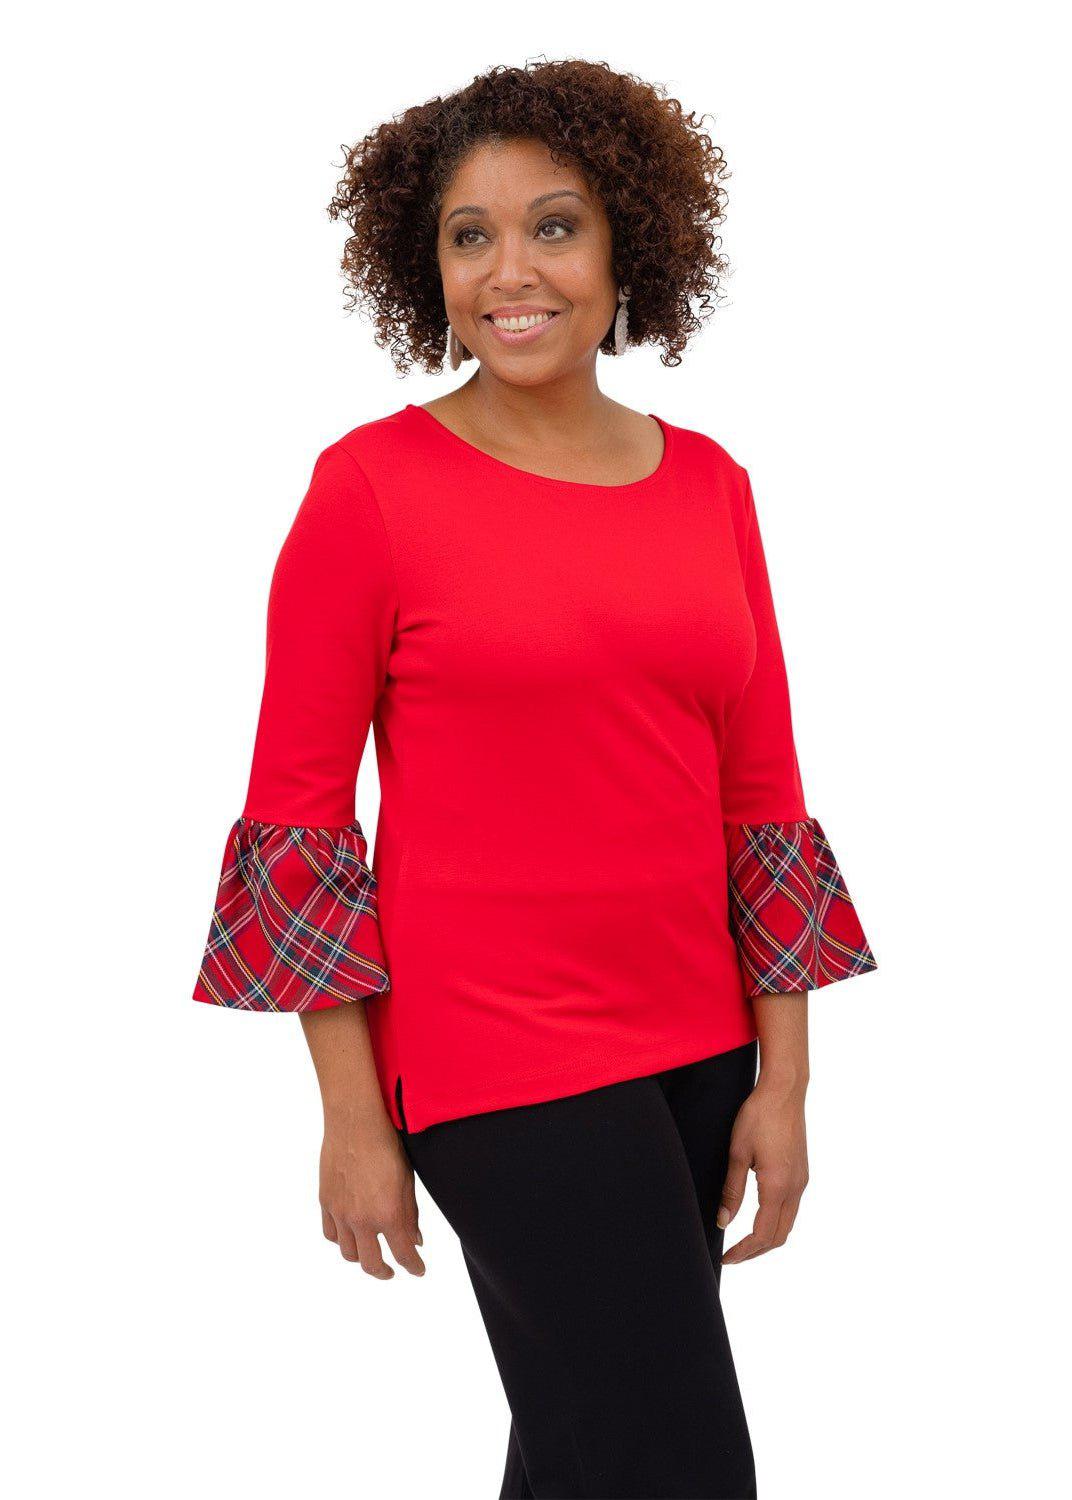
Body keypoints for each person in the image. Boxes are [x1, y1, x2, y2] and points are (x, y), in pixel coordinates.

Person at [192, 58, 877, 1500]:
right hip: (496, 1056)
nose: (511, 271)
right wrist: (352, 1117)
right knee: (679, 1464)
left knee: (584, 1453)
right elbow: (301, 818)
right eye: (470, 235)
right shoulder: (370, 491)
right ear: (426, 266)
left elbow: (760, 797)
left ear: (629, 245)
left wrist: (787, 1079)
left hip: (699, 1048)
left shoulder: (712, 485)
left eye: (554, 227)